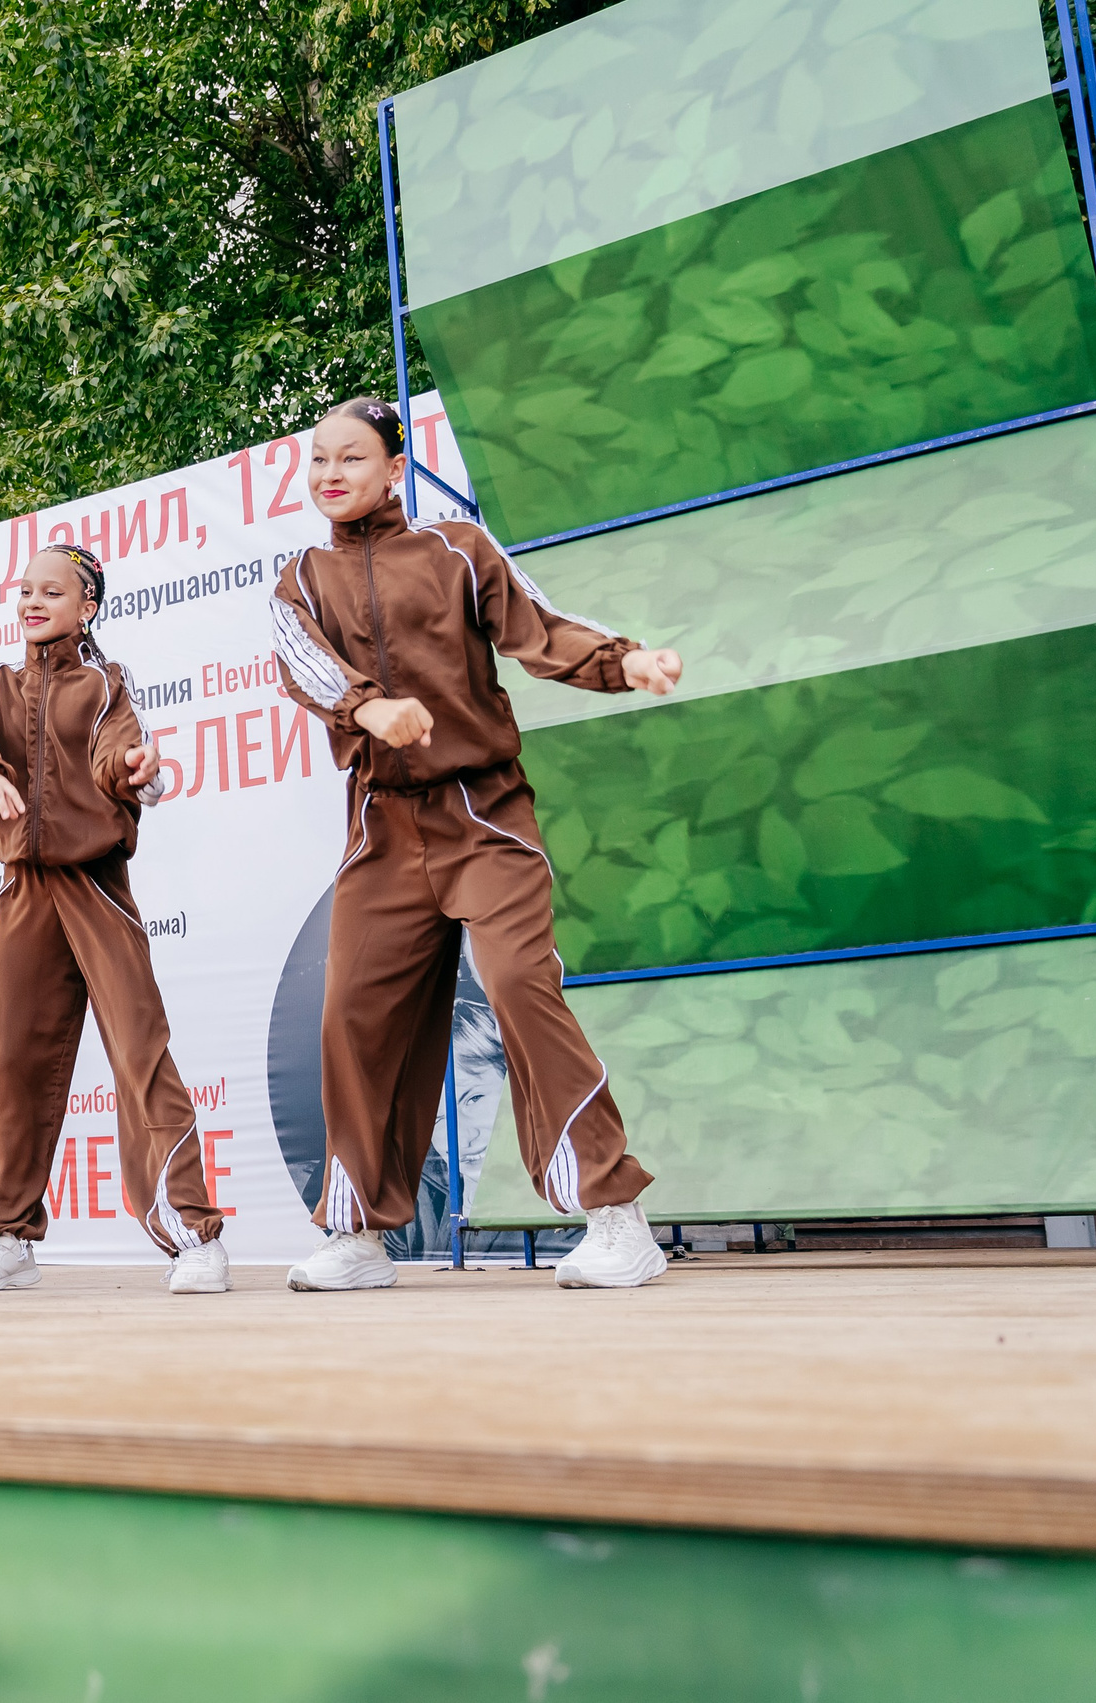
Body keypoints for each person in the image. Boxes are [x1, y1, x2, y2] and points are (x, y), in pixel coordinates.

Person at [268, 396, 683, 1291]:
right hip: (382, 827)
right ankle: (357, 1234)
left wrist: (624, 661)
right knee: (353, 1017)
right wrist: (368, 707)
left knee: (520, 986)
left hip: (483, 815)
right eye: (318, 459)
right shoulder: (300, 576)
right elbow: (300, 662)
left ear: (395, 466)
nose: (330, 473)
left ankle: (617, 1217)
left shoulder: (457, 548)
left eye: (351, 457)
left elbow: (540, 627)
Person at [0, 545, 230, 1295]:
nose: (33, 601)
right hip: (22, 893)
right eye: (25, 590)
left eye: (52, 591)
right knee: (11, 1061)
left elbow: (117, 756)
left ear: (87, 607)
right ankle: (7, 1236)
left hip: (96, 886)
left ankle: (194, 1234)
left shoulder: (105, 684)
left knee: (140, 1050)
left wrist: (138, 772)